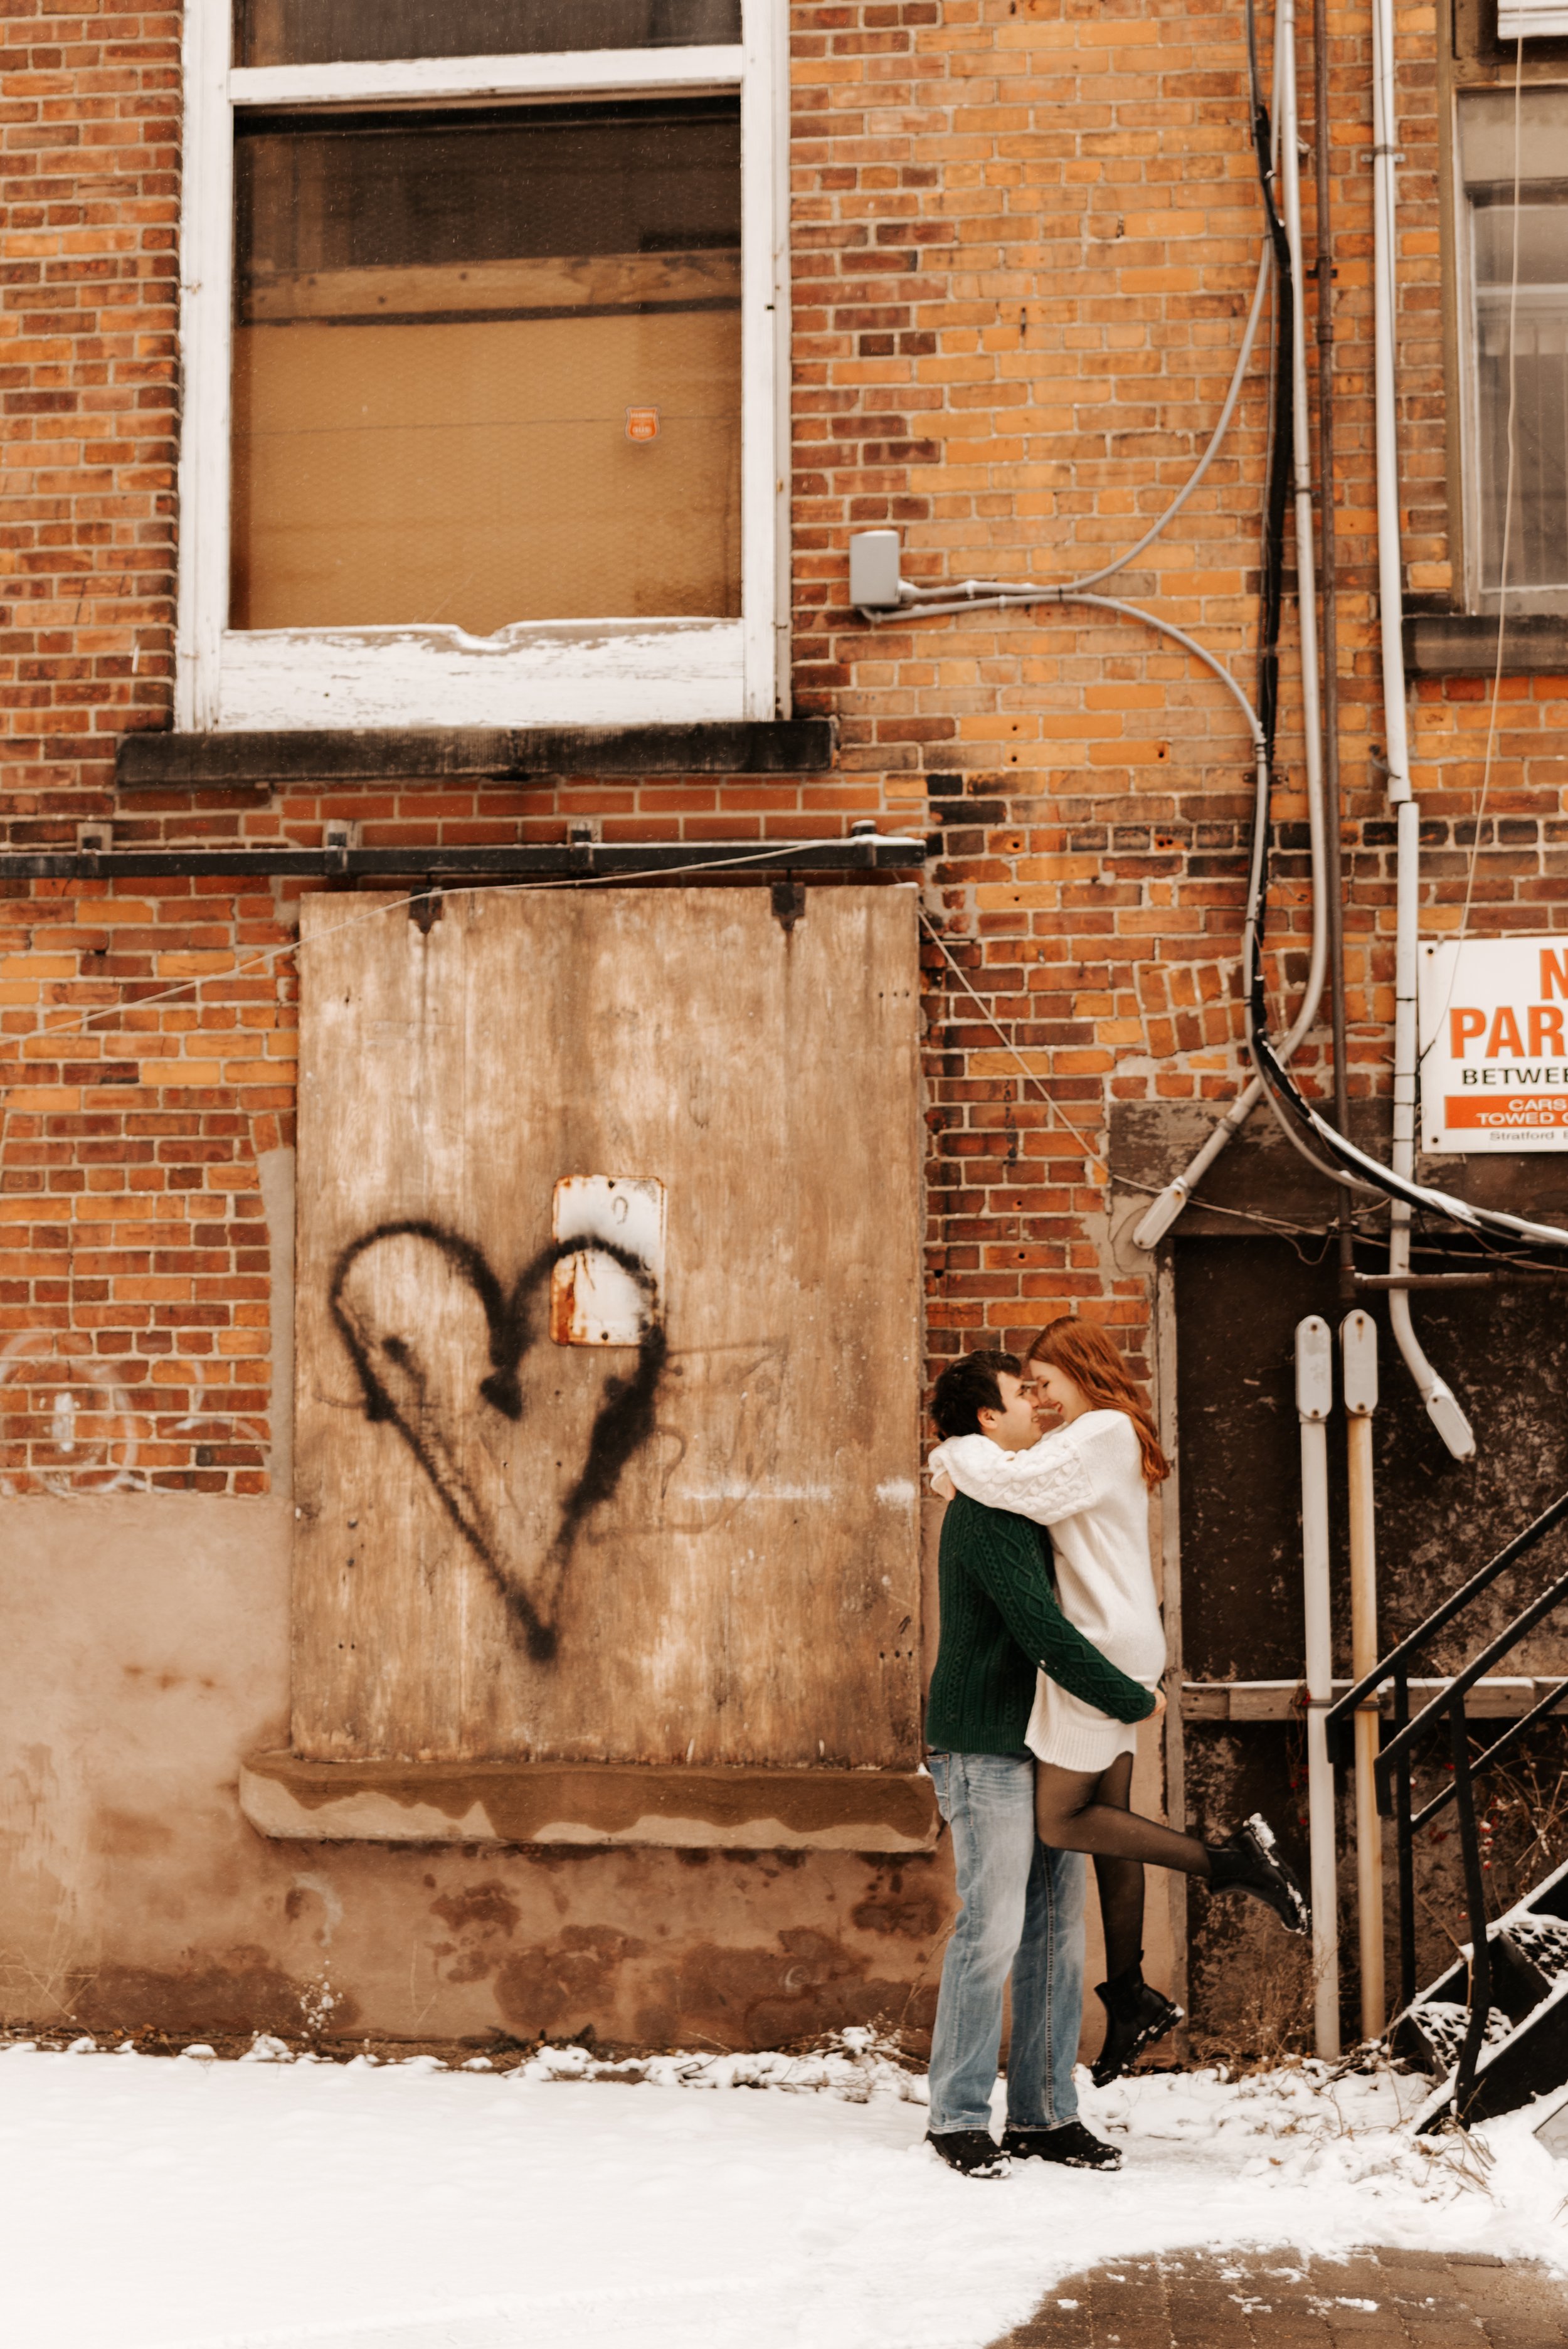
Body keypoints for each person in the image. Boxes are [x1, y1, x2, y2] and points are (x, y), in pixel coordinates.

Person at [929, 1318, 1310, 2093]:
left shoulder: (1100, 1429)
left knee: (1061, 1820)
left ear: (1077, 1371)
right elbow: (1020, 1477)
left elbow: (1015, 1479)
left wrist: (950, 1455)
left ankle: (1230, 1863)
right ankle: (1130, 1991)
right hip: (1120, 1642)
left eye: (1043, 1381)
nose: (1038, 1398)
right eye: (1024, 1389)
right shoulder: (1105, 1435)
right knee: (1106, 1825)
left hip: (1099, 1649)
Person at [923, 1348, 1165, 2180]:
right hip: (982, 1739)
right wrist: (1130, 1696)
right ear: (988, 1420)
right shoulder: (989, 1511)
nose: (1037, 1405)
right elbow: (1041, 1629)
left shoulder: (1016, 1495)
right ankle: (956, 2115)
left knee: (1056, 1932)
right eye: (1021, 1395)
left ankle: (1044, 2114)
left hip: (1041, 1739)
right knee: (992, 1927)